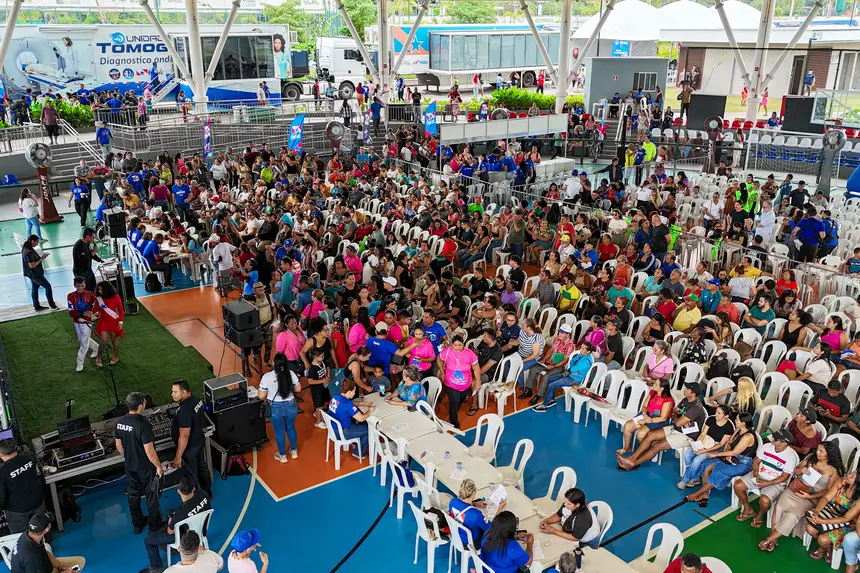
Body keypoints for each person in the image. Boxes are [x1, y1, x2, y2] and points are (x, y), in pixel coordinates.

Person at [757, 441, 844, 552]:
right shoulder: (811, 458)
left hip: (812, 497)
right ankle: (773, 539)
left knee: (793, 515)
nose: (817, 452)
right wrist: (802, 471)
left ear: (829, 454)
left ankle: (769, 539)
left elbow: (828, 491)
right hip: (794, 490)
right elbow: (795, 470)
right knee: (779, 507)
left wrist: (809, 496)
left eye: (821, 451)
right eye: (818, 449)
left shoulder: (833, 471)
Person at [617, 383, 707, 471]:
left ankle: (632, 464)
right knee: (650, 434)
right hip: (676, 428)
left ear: (693, 394)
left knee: (656, 446)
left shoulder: (695, 408)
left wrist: (677, 417)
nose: (684, 390)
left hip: (686, 435)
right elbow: (674, 413)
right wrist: (677, 417)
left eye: (687, 389)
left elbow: (678, 422)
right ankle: (632, 458)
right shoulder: (686, 400)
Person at [682, 412, 758, 508]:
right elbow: (730, 443)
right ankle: (705, 495)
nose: (735, 420)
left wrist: (717, 454)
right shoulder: (738, 430)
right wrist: (726, 455)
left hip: (743, 464)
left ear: (743, 423)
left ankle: (696, 494)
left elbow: (735, 452)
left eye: (737, 420)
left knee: (718, 471)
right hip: (732, 458)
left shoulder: (748, 436)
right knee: (706, 465)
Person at [114, 392, 164, 534]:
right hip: (146, 468)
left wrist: (128, 456)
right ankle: (155, 525)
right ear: (140, 406)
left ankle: (137, 524)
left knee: (133, 495)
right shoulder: (143, 424)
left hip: (130, 467)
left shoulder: (120, 422)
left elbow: (118, 445)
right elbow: (149, 451)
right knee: (152, 495)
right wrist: (158, 466)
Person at [142, 477, 212, 573]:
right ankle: (173, 550)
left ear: (178, 491)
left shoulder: (180, 513)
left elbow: (170, 532)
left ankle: (156, 567)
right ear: (194, 488)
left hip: (184, 537)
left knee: (148, 540)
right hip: (201, 530)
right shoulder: (203, 494)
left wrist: (171, 521)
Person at [732, 429, 800, 525]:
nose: (773, 439)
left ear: (784, 443)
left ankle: (760, 514)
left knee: (765, 500)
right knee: (738, 485)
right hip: (759, 475)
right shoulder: (766, 446)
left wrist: (768, 483)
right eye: (774, 437)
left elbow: (784, 477)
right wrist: (756, 475)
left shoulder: (791, 456)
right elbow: (756, 462)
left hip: (775, 482)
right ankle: (748, 509)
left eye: (776, 439)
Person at [170, 380, 212, 498]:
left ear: (183, 392)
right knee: (202, 467)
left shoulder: (184, 410)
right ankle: (207, 494)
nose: (172, 394)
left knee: (192, 474)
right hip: (199, 440)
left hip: (189, 447)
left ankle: (195, 500)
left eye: (175, 392)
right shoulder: (197, 400)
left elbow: (184, 435)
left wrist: (177, 457)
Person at [259, 354, 301, 463]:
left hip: (275, 407)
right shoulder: (291, 374)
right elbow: (298, 389)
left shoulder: (267, 377)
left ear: (274, 363)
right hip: (291, 405)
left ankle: (282, 456)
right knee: (291, 428)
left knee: (279, 432)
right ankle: (294, 451)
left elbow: (261, 395)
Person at [10, 512, 86, 573]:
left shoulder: (31, 535)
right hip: (37, 568)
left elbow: (44, 552)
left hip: (45, 567)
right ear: (47, 529)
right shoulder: (32, 557)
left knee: (79, 561)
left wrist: (60, 566)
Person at [618, 378, 675, 456]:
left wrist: (646, 420)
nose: (653, 385)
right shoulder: (652, 392)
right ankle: (627, 448)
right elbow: (644, 406)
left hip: (657, 420)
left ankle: (646, 453)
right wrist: (645, 416)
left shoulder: (668, 401)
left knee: (641, 434)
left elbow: (663, 418)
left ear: (661, 388)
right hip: (646, 414)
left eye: (656, 384)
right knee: (628, 426)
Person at [0, 438, 46, 535]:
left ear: (0, 454)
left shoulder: (2, 472)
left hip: (17, 510)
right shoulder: (30, 458)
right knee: (42, 529)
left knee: (21, 537)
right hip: (37, 501)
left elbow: (1, 497)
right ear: (16, 448)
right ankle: (47, 544)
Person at [533, 342, 595, 411]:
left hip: (574, 379)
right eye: (581, 347)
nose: (580, 350)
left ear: (588, 351)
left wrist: (573, 369)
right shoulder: (581, 355)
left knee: (552, 385)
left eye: (583, 349)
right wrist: (573, 369)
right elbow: (572, 361)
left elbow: (573, 368)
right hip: (569, 374)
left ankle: (544, 406)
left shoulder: (586, 361)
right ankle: (551, 400)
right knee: (549, 379)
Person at [437, 335, 480, 429]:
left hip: (465, 384)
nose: (457, 347)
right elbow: (439, 360)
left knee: (461, 400)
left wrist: (478, 381)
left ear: (463, 344)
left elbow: (476, 368)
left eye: (459, 345)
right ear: (452, 344)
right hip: (450, 383)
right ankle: (454, 421)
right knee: (454, 402)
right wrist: (442, 372)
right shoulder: (447, 351)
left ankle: (454, 409)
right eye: (455, 345)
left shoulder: (469, 354)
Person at [327, 378, 374, 459]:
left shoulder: (336, 397)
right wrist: (369, 411)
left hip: (332, 429)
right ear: (348, 392)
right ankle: (358, 453)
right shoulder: (348, 404)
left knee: (358, 425)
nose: (354, 393)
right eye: (354, 391)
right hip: (343, 432)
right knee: (369, 430)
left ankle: (356, 443)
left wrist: (362, 403)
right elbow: (361, 418)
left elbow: (349, 403)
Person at [449, 478, 495, 548]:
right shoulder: (476, 514)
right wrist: (500, 508)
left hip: (456, 535)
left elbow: (463, 507)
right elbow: (491, 527)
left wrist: (475, 503)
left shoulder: (453, 502)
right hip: (471, 543)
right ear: (473, 493)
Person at [67, 276, 100, 372]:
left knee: (84, 343)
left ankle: (79, 362)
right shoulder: (70, 296)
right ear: (74, 286)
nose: (80, 288)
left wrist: (92, 311)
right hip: (77, 320)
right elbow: (70, 312)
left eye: (82, 285)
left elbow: (97, 303)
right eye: (78, 286)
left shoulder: (90, 294)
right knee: (81, 339)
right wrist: (82, 313)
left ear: (85, 284)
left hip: (87, 321)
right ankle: (97, 348)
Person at [93, 280, 124, 367]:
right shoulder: (98, 299)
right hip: (103, 321)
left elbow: (121, 311)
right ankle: (98, 357)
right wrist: (88, 312)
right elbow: (94, 310)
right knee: (103, 340)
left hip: (114, 321)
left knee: (114, 339)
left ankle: (115, 357)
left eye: (101, 290)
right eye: (98, 289)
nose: (99, 291)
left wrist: (121, 322)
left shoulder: (116, 297)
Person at [22, 235, 56, 311]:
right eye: (37, 242)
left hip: (32, 273)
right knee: (48, 287)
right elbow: (32, 265)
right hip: (35, 274)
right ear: (32, 241)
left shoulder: (26, 248)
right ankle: (52, 304)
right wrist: (41, 258)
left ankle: (36, 305)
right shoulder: (29, 252)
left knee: (35, 288)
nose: (37, 244)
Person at [72, 228, 103, 292]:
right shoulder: (79, 246)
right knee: (85, 290)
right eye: (92, 237)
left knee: (93, 286)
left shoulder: (87, 243)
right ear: (87, 236)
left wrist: (100, 260)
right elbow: (84, 259)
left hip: (88, 270)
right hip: (81, 272)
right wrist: (94, 252)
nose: (93, 239)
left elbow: (90, 254)